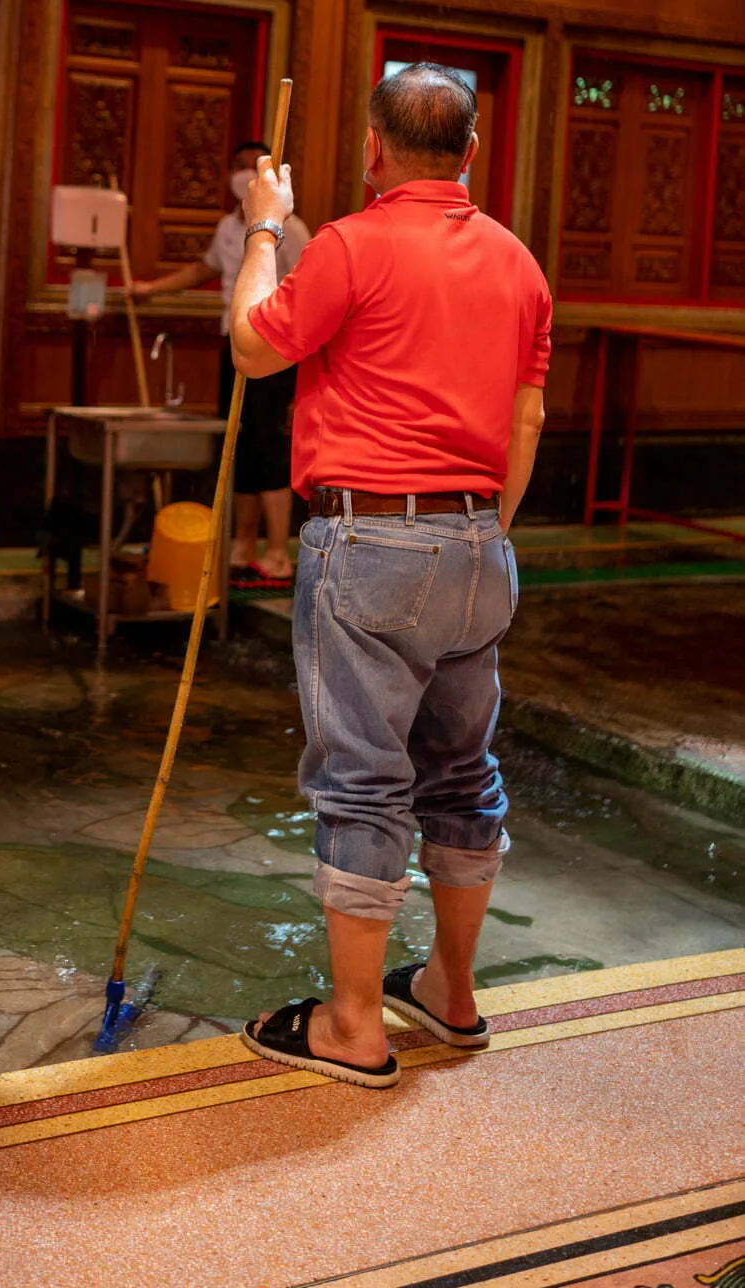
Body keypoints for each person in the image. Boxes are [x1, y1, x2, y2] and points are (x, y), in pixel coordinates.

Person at [227, 63, 550, 1091]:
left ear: (371, 148)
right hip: (477, 542)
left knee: (362, 783)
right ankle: (449, 997)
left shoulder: (349, 244)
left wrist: (265, 225)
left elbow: (250, 345)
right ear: (469, 151)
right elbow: (526, 418)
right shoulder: (516, 261)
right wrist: (480, 533)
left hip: (369, 543)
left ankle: (353, 1023)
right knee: (462, 772)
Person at [135, 139, 310, 587]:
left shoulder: (292, 227)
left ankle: (276, 554)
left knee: (270, 451)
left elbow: (308, 291)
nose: (242, 174)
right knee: (240, 446)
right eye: (235, 166)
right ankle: (243, 545)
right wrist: (150, 289)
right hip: (234, 346)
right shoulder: (228, 228)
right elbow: (204, 269)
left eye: (251, 167)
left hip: (276, 350)